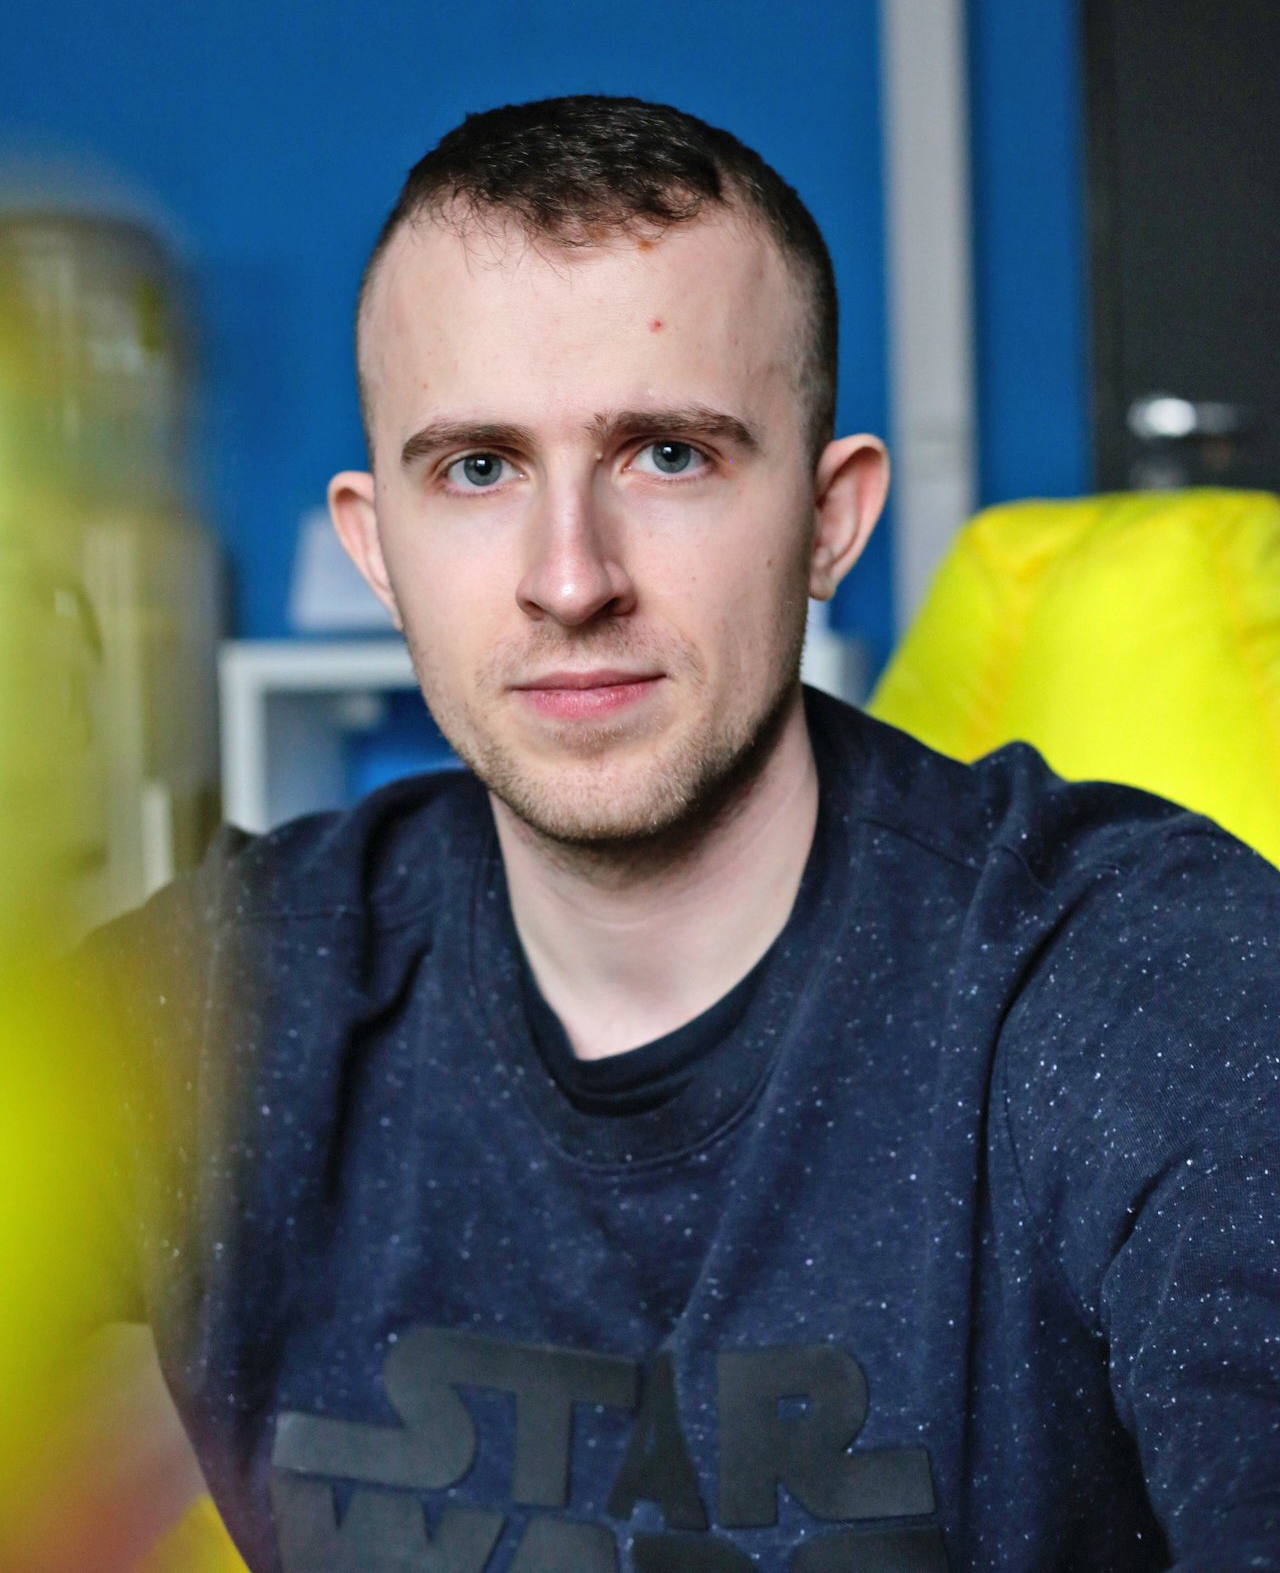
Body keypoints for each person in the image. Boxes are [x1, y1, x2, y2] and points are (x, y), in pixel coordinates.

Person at [77, 97, 1278, 1573]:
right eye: (477, 469)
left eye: (667, 455)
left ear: (830, 519)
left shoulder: (1143, 984)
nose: (570, 579)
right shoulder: (228, 997)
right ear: (376, 547)